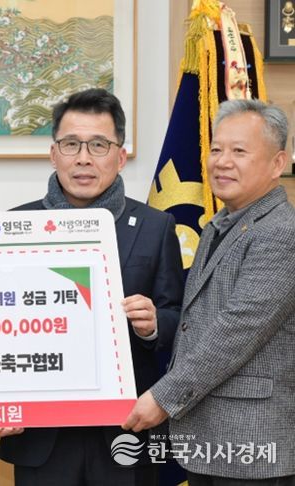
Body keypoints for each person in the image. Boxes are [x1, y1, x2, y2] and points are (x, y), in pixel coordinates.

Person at [0, 88, 184, 485]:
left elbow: (179, 317)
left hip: (126, 429)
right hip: (40, 432)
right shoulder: (13, 226)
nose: (83, 158)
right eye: (71, 144)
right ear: (53, 153)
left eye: (98, 145)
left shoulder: (155, 226)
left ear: (120, 156)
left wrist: (153, 325)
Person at [124, 100, 295, 484]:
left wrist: (163, 397)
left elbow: (236, 331)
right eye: (216, 149)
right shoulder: (222, 224)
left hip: (254, 445)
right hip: (211, 441)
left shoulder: (282, 233)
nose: (222, 162)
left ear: (277, 164)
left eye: (239, 151)